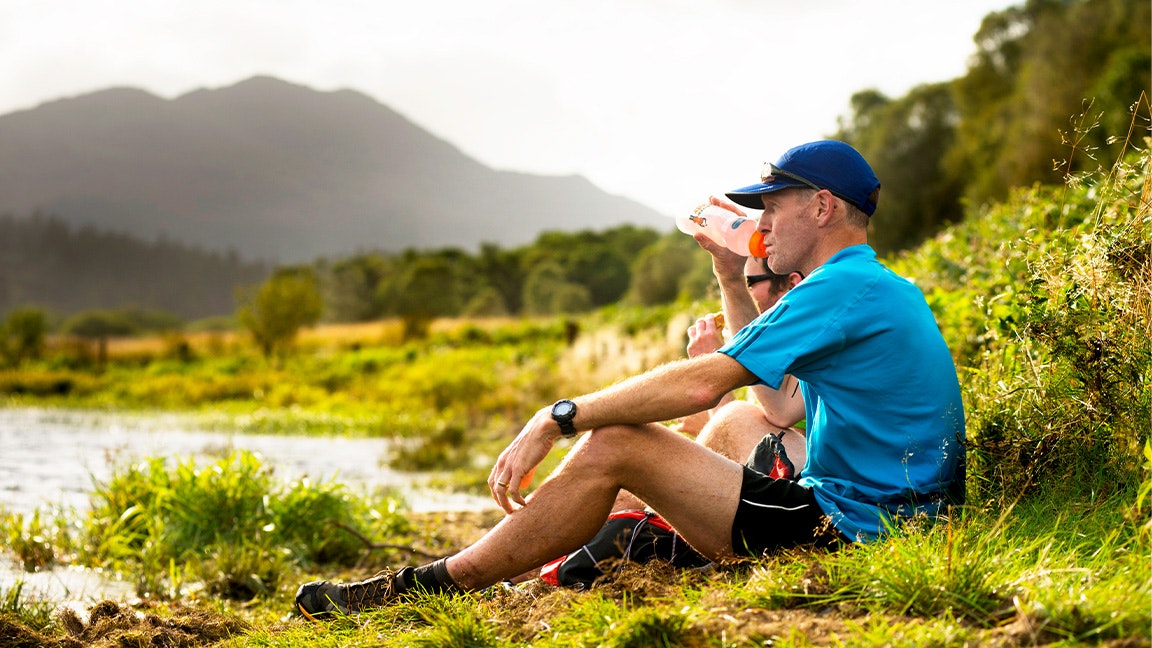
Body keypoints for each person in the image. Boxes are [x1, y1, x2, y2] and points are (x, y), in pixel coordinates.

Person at [294, 139, 967, 620]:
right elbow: (765, 405)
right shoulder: (865, 285)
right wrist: (732, 280)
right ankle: (616, 531)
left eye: (773, 207)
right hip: (893, 516)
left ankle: (431, 583)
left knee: (617, 443)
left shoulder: (838, 289)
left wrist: (558, 416)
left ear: (822, 208)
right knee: (735, 425)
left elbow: (704, 382)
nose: (760, 226)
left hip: (862, 529)